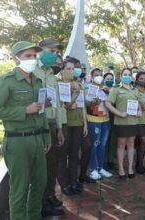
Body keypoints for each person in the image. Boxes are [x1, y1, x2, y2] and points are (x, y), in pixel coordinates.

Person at [0, 41, 51, 220]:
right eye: (28, 56)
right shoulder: (7, 81)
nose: (32, 59)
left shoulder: (36, 80)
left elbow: (40, 111)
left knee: (39, 183)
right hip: (17, 141)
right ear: (16, 59)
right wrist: (24, 110)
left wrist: (46, 136)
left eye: (34, 56)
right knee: (19, 189)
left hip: (37, 139)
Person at [34, 38, 66, 217]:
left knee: (52, 164)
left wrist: (60, 128)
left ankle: (50, 195)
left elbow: (58, 104)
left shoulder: (52, 76)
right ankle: (40, 202)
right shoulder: (32, 72)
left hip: (53, 124)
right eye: (51, 51)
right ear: (41, 51)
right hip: (38, 125)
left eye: (56, 52)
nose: (54, 54)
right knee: (41, 166)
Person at [106, 69, 141, 179]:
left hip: (133, 121)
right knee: (121, 145)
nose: (127, 76)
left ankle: (130, 168)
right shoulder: (116, 89)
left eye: (129, 75)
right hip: (121, 122)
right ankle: (121, 169)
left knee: (131, 144)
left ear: (132, 77)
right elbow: (108, 103)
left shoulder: (135, 90)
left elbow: (138, 103)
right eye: (125, 74)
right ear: (121, 76)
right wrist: (119, 113)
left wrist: (139, 111)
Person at [59, 58, 88, 195]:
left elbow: (81, 106)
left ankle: (73, 181)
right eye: (68, 69)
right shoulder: (58, 84)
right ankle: (64, 185)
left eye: (73, 69)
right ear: (62, 70)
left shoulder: (78, 84)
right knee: (63, 155)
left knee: (74, 154)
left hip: (77, 123)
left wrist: (85, 123)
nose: (71, 71)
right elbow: (63, 106)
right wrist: (73, 95)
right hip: (65, 124)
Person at [86, 68, 113, 180]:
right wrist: (93, 102)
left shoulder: (104, 90)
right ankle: (92, 169)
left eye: (100, 74)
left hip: (105, 121)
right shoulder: (88, 89)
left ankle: (100, 168)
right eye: (96, 75)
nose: (99, 77)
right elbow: (87, 105)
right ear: (91, 77)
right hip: (93, 121)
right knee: (94, 145)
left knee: (102, 145)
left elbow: (110, 104)